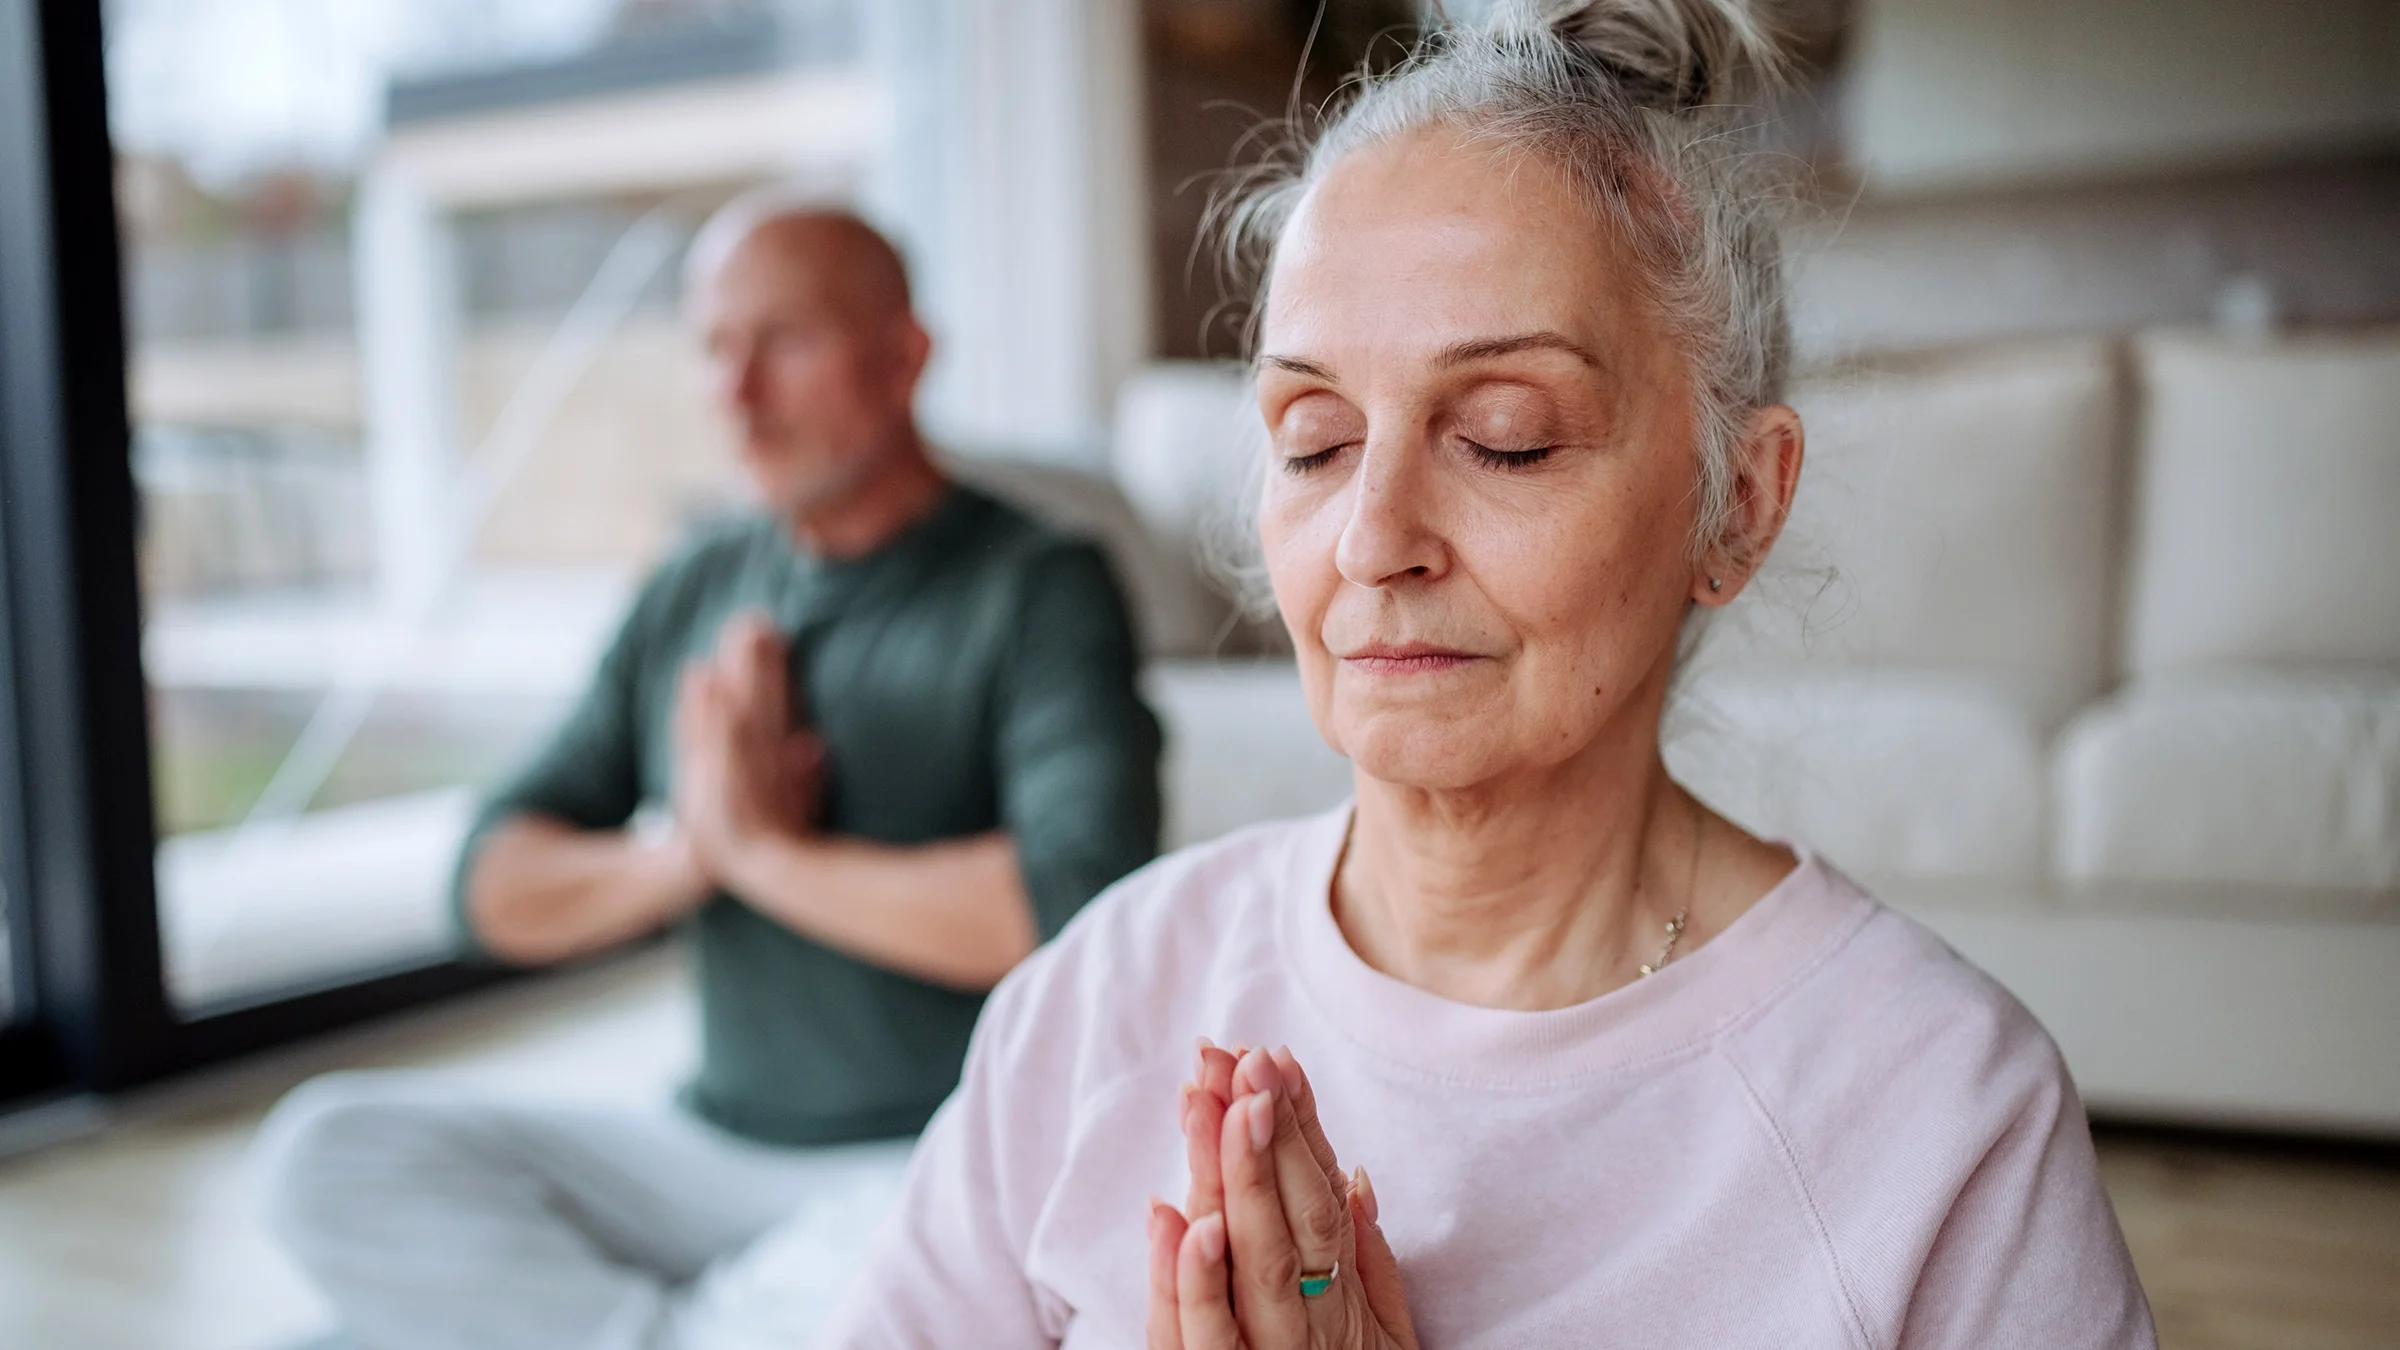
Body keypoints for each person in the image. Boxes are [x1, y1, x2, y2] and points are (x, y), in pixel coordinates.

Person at [818, 2, 2158, 1346]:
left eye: (1507, 439)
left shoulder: (1941, 1118)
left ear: (1738, 504)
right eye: (1315, 437)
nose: (1374, 538)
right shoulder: (1101, 995)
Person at [255, 202, 1162, 1350]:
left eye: (783, 341)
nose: (737, 393)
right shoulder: (695, 582)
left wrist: (769, 856)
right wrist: (690, 854)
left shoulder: (1040, 583)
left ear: (905, 357)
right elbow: (488, 887)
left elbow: (1077, 911)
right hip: (698, 1152)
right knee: (323, 1153)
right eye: (713, 347)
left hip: (924, 1161)